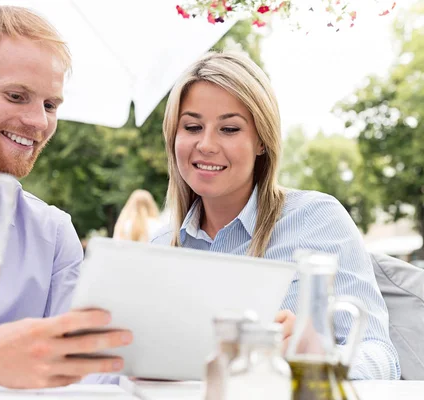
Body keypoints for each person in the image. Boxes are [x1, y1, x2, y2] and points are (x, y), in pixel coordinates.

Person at [152, 51, 401, 380]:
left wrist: (318, 359)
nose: (207, 144)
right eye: (193, 126)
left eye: (229, 128)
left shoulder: (318, 219)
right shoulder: (158, 247)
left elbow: (381, 355)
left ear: (261, 142)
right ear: (174, 137)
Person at [0, 5, 131, 388]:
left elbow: (85, 376)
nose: (39, 122)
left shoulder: (53, 235)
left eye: (50, 105)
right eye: (17, 96)